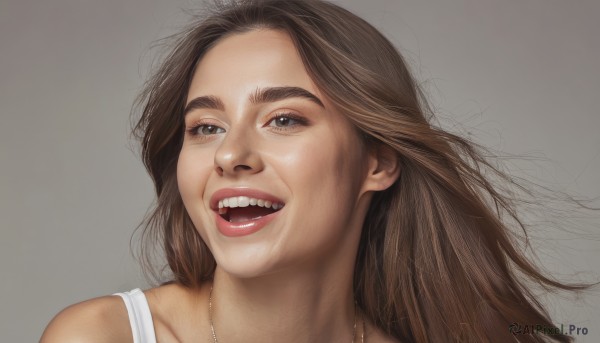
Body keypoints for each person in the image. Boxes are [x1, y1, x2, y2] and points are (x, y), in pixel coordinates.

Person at [41, 0, 586, 342]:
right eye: (205, 127)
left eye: (282, 119)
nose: (231, 155)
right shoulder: (103, 336)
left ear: (377, 161)